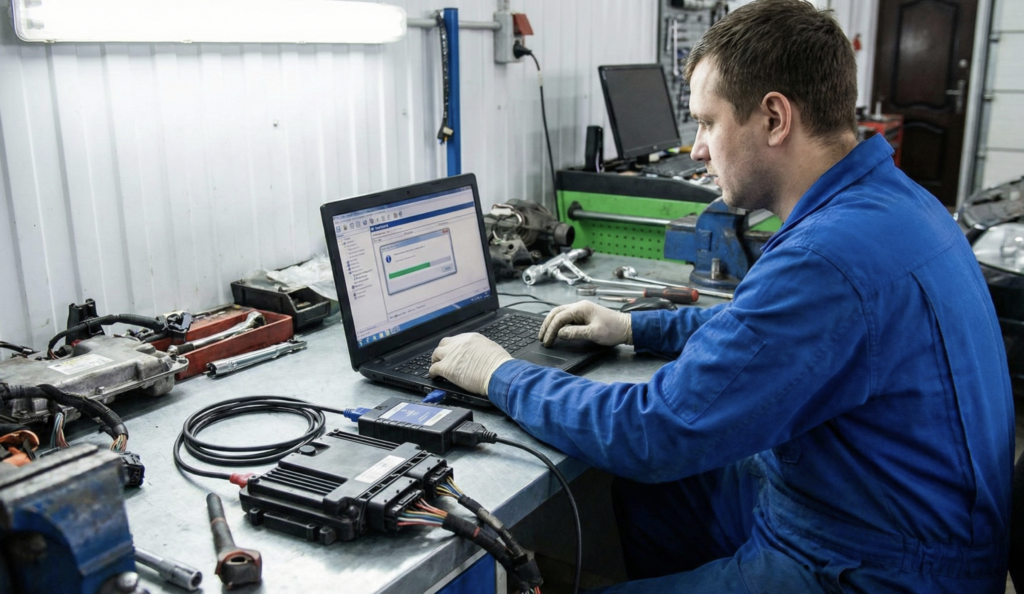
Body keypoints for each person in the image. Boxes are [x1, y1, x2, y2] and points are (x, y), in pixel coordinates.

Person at [429, 0, 1015, 591]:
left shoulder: (827, 258)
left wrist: (500, 374)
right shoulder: (892, 201)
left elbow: (654, 431)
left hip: (875, 564)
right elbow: (756, 332)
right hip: (874, 505)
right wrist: (632, 328)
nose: (698, 149)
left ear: (774, 119)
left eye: (708, 123)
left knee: (649, 467)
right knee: (650, 492)